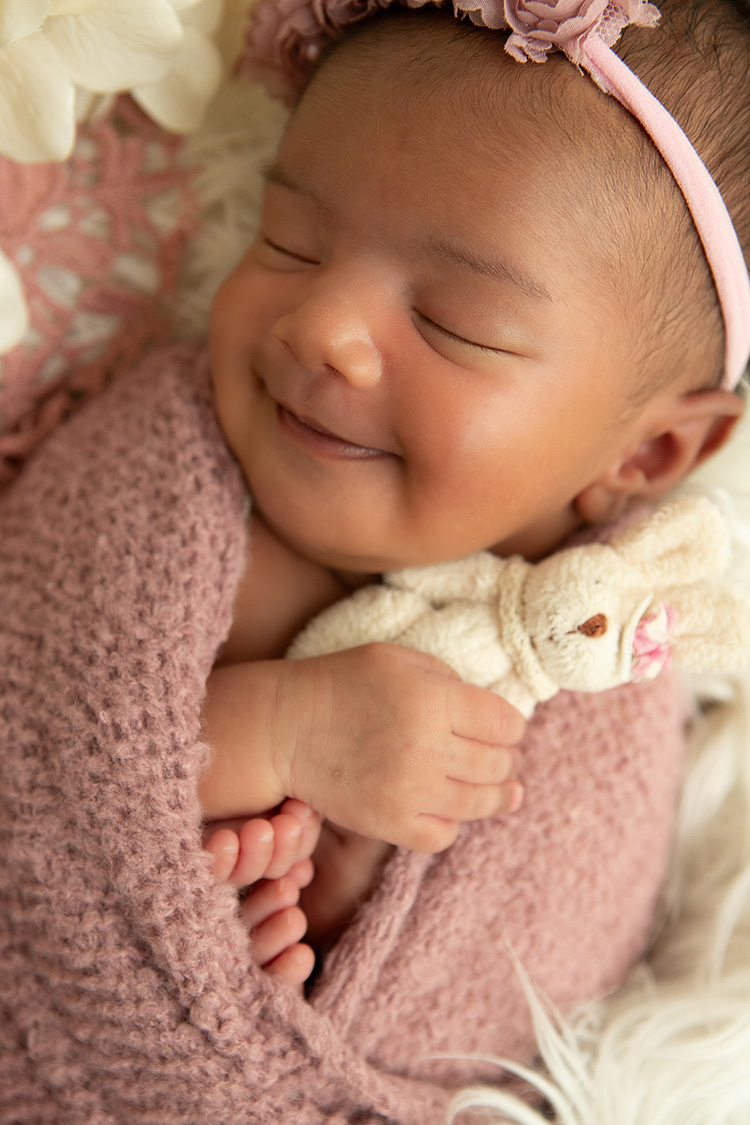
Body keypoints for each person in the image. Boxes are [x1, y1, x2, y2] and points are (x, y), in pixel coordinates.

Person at [1, 1, 749, 1120]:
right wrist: (279, 732)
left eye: (453, 322)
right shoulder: (162, 502)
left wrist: (339, 914)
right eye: (289, 242)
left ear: (649, 449)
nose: (323, 327)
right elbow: (46, 758)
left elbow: (527, 983)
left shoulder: (602, 669)